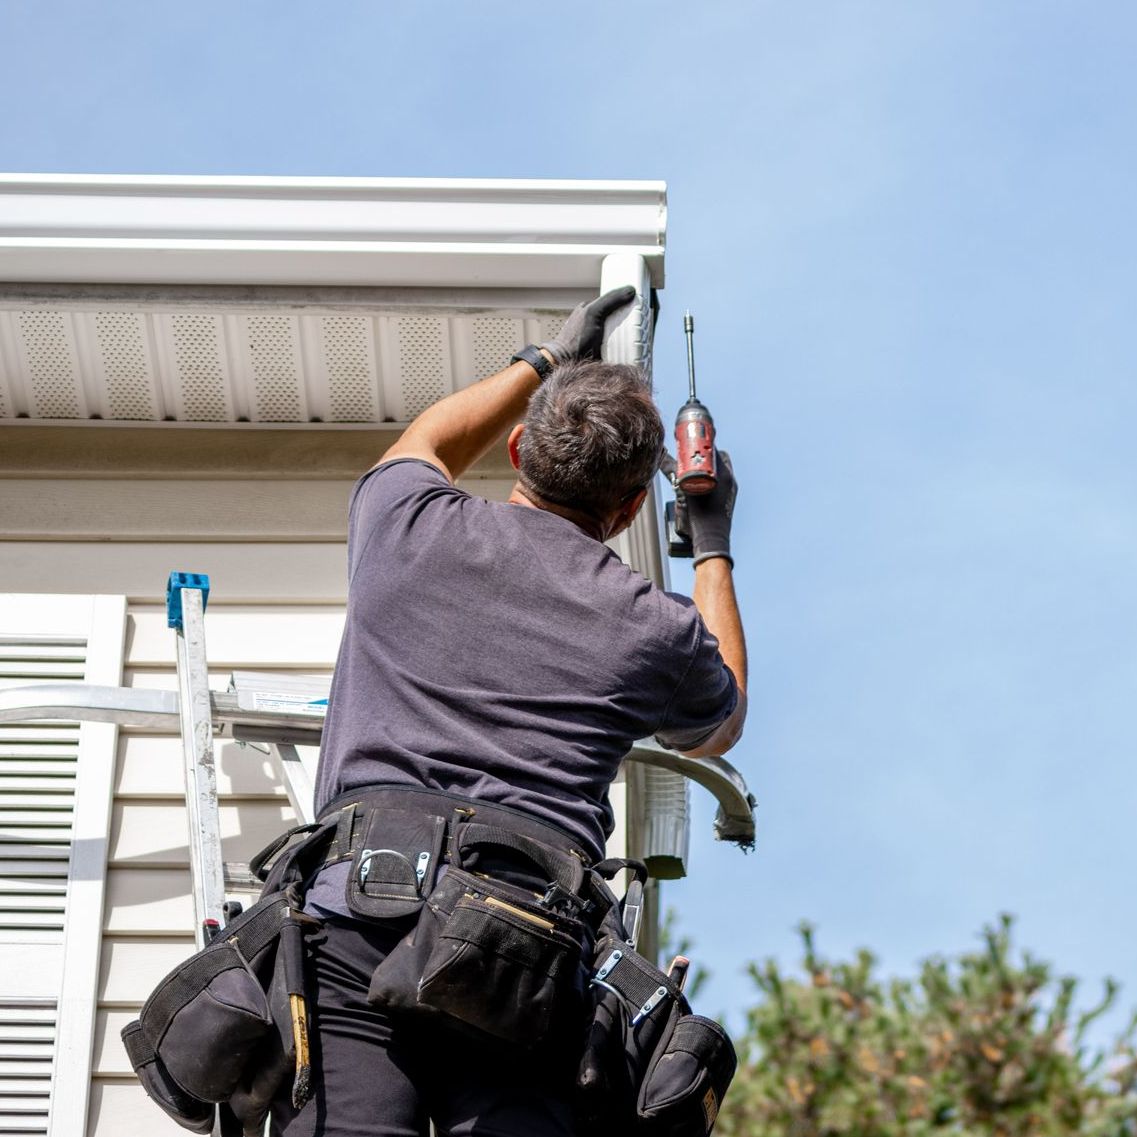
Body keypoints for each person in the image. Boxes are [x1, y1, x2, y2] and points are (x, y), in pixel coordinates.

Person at [270, 286, 747, 1137]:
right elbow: (722, 722)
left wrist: (542, 362)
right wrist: (709, 542)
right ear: (632, 507)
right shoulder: (653, 627)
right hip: (522, 951)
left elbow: (428, 441)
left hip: (357, 911)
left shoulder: (403, 522)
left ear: (521, 447)